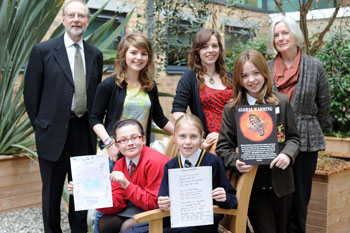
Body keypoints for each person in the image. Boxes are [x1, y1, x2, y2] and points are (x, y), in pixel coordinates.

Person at [23, 0, 103, 232]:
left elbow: (95, 94)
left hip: (83, 131)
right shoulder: (43, 51)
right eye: (72, 15)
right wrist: (41, 127)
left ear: (87, 21)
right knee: (51, 191)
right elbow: (31, 95)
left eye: (81, 15)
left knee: (81, 190)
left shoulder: (95, 55)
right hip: (52, 132)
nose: (76, 19)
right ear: (64, 19)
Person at [90, 32, 173, 232]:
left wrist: (184, 134)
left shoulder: (149, 86)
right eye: (134, 52)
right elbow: (94, 119)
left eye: (144, 53)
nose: (139, 57)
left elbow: (160, 119)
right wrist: (110, 144)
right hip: (112, 153)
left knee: (131, 206)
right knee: (105, 212)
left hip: (137, 154)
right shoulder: (110, 84)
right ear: (124, 55)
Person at [216, 49, 300, 233]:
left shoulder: (282, 102)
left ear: (264, 72)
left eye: (255, 73)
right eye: (245, 76)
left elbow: (293, 138)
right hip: (252, 185)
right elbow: (223, 147)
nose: (251, 80)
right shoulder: (232, 109)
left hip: (282, 183)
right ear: (238, 79)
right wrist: (235, 161)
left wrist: (287, 154)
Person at [266, 16, 331, 233]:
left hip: (306, 145)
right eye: (276, 35)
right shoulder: (265, 69)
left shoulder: (315, 66)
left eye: (285, 33)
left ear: (296, 36)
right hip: (273, 144)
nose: (281, 38)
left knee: (299, 203)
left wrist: (306, 126)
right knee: (276, 200)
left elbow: (323, 106)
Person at [129, 113, 237, 233]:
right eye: (182, 136)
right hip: (174, 220)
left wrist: (224, 197)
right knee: (130, 230)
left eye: (193, 137)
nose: (188, 142)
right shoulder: (171, 165)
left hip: (201, 225)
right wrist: (163, 203)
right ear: (175, 137)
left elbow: (232, 200)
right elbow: (163, 197)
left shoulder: (213, 162)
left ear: (202, 137)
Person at [68, 119, 170, 233]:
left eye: (135, 137)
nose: (130, 143)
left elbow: (153, 203)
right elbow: (118, 203)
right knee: (105, 223)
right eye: (123, 140)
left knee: (128, 227)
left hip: (163, 211)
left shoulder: (154, 161)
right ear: (117, 145)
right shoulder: (121, 164)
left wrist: (126, 184)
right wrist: (84, 193)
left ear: (143, 139)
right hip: (139, 206)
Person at [172, 28, 232, 150]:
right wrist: (198, 137)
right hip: (208, 144)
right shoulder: (189, 78)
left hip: (232, 140)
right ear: (197, 51)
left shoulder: (231, 77)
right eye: (205, 47)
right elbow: (178, 112)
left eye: (214, 46)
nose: (210, 50)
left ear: (219, 50)